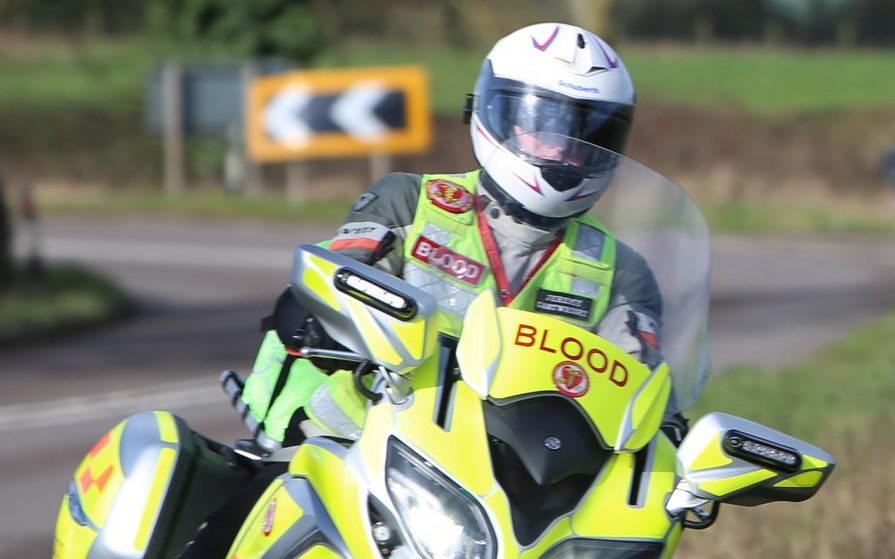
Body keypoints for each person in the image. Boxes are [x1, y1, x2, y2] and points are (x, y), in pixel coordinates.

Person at [180, 21, 685, 558]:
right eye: (548, 126)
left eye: (589, 136)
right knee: (248, 518)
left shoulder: (618, 269)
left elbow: (650, 390)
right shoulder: (410, 202)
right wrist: (315, 313)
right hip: (354, 442)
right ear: (497, 114)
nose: (565, 152)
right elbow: (334, 273)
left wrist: (681, 443)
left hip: (512, 495)